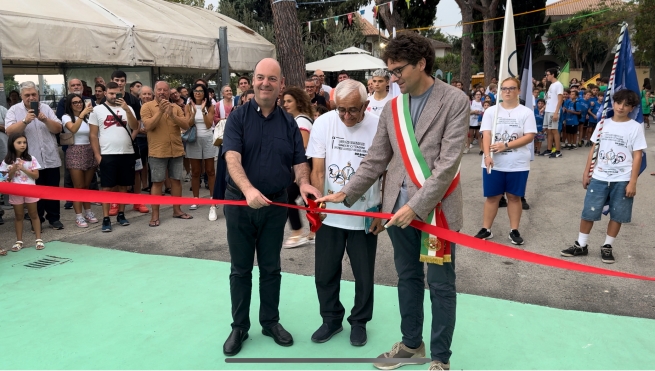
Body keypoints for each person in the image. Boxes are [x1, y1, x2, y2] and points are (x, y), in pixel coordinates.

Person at [317, 32, 468, 371]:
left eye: (398, 71)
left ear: (421, 64)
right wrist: (347, 192)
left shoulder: (455, 101)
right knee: (408, 277)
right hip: (396, 213)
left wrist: (416, 206)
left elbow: (447, 166)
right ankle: (412, 344)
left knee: (441, 285)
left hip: (435, 212)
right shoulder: (392, 108)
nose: (391, 79)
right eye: (388, 72)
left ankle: (441, 359)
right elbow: (376, 157)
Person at [221, 58, 320, 357]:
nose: (265, 83)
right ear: (253, 81)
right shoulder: (237, 118)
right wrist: (248, 189)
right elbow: (232, 159)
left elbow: (299, 161)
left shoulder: (289, 122)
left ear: (280, 84)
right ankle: (239, 326)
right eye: (260, 78)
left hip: (276, 205)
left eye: (272, 79)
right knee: (240, 270)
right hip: (240, 204)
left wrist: (303, 184)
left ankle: (270, 321)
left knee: (271, 268)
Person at [306, 79, 382, 347]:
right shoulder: (324, 123)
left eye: (353, 110)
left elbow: (384, 171)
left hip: (365, 214)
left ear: (365, 105)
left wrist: (380, 212)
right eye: (342, 110)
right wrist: (317, 204)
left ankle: (359, 322)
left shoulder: (377, 126)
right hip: (330, 214)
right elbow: (317, 168)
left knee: (364, 274)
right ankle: (331, 319)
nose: (347, 116)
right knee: (325, 272)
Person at [560, 89, 646, 264]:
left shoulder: (635, 127)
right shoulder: (602, 124)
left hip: (622, 178)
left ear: (631, 108)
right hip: (599, 175)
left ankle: (607, 246)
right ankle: (581, 244)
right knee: (588, 211)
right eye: (618, 103)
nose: (621, 107)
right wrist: (587, 172)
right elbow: (594, 149)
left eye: (626, 105)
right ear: (613, 103)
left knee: (618, 214)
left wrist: (633, 182)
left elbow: (638, 155)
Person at [475, 77, 537, 245]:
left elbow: (530, 136)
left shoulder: (526, 112)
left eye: (511, 88)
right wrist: (487, 155)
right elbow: (486, 134)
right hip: (494, 162)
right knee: (492, 196)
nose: (507, 91)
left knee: (514, 197)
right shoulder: (491, 111)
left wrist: (506, 145)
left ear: (518, 91)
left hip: (517, 163)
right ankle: (486, 229)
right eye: (504, 88)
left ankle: (514, 230)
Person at [5, 81, 64, 231]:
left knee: (52, 190)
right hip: (29, 161)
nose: (31, 97)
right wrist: (25, 121)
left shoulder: (46, 108)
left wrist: (44, 119)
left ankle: (54, 218)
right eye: (27, 95)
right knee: (34, 193)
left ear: (37, 95)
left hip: (50, 158)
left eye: (33, 94)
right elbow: (9, 131)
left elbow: (58, 128)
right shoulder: (13, 110)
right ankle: (36, 220)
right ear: (21, 96)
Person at [88, 82, 138, 232]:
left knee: (124, 186)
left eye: (117, 93)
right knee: (107, 187)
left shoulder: (128, 108)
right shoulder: (97, 110)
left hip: (126, 152)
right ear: (105, 93)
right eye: (111, 93)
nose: (114, 96)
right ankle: (105, 218)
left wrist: (127, 110)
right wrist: (97, 155)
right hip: (107, 154)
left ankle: (121, 214)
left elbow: (135, 126)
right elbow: (93, 134)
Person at [141, 81, 193, 227]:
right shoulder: (147, 107)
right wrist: (161, 111)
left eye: (165, 90)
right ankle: (155, 215)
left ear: (169, 92)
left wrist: (172, 114)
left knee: (177, 180)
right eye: (159, 90)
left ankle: (177, 210)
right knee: (157, 182)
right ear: (155, 92)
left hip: (176, 150)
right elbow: (148, 125)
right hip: (157, 151)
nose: (162, 92)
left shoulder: (175, 107)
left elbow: (185, 125)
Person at [281, 86, 315, 248]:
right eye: (284, 101)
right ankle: (313, 232)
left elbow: (303, 146)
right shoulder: (298, 119)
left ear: (298, 102)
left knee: (289, 196)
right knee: (309, 199)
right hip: (305, 163)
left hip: (304, 164)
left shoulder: (301, 120)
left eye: (289, 101)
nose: (285, 104)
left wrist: (296, 170)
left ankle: (297, 232)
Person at [1, 133, 45, 253]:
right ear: (12, 144)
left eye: (24, 142)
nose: (22, 145)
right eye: (19, 143)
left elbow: (36, 175)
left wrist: (24, 169)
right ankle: (19, 241)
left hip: (30, 190)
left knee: (34, 214)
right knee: (19, 216)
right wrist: (13, 170)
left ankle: (38, 239)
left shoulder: (31, 158)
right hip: (15, 191)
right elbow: (5, 180)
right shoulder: (7, 161)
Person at [61, 94, 100, 228]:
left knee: (86, 187)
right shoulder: (66, 117)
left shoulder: (89, 117)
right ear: (70, 105)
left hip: (89, 150)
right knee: (78, 187)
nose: (78, 104)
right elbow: (73, 129)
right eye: (75, 103)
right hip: (75, 151)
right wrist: (82, 114)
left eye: (80, 102)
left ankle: (88, 212)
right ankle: (79, 216)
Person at [185, 83, 218, 220]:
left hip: (208, 139)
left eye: (200, 91)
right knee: (196, 172)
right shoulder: (188, 106)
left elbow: (209, 124)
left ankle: (213, 198)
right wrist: (193, 111)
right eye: (195, 91)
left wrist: (203, 110)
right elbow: (188, 123)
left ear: (205, 93)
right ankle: (196, 199)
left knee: (210, 170)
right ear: (192, 93)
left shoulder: (211, 106)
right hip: (194, 140)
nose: (198, 93)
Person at [132, 86, 153, 212]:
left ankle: (153, 185)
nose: (146, 96)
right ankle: (144, 185)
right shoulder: (135, 106)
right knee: (141, 164)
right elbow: (133, 123)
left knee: (153, 161)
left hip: (153, 137)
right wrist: (140, 130)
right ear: (139, 95)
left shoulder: (155, 105)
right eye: (144, 94)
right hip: (139, 137)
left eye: (149, 94)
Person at [541, 68, 564, 157]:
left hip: (553, 111)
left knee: (554, 130)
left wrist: (556, 112)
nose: (546, 76)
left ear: (553, 75)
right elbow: (549, 99)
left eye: (547, 75)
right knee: (548, 131)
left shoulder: (558, 85)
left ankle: (558, 151)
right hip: (548, 110)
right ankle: (549, 149)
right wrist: (544, 107)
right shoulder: (551, 85)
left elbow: (560, 100)